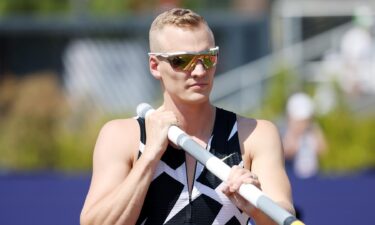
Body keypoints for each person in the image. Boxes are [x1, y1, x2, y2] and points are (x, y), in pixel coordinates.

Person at [80, 8, 295, 225]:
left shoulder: (255, 134)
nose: (200, 71)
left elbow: (285, 215)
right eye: (182, 60)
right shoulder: (121, 136)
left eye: (208, 58)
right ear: (155, 65)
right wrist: (149, 156)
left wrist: (255, 206)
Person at [283, 92, 327, 179]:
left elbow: (323, 150)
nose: (302, 125)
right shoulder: (284, 131)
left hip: (313, 178)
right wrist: (294, 135)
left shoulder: (313, 130)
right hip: (292, 178)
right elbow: (286, 152)